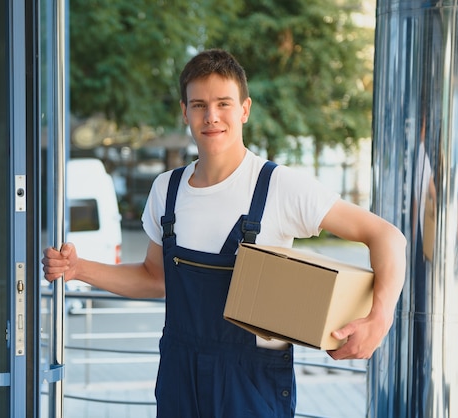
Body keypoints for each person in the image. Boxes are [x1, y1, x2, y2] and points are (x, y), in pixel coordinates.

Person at [42, 49, 407, 417]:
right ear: (185, 112)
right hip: (179, 380)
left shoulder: (278, 186)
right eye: (199, 105)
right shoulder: (166, 191)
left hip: (251, 387)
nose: (211, 116)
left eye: (223, 103)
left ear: (244, 109)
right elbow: (154, 278)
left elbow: (387, 236)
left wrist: (380, 318)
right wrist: (78, 269)